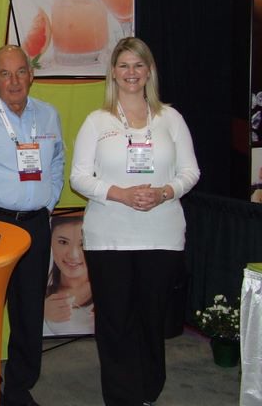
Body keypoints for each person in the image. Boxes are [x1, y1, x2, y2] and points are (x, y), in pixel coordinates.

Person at [70, 37, 200, 406]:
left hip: (161, 236)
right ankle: (121, 397)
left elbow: (190, 172)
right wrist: (119, 194)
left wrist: (165, 192)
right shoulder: (97, 122)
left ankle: (148, 390)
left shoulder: (171, 119)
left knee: (151, 319)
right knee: (114, 321)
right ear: (113, 72)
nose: (132, 72)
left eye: (138, 65)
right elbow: (78, 178)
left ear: (149, 71)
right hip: (109, 238)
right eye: (124, 65)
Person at [0, 45, 65, 406]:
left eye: (21, 71)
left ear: (31, 75)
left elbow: (57, 162)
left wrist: (48, 202)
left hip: (36, 224)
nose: (14, 81)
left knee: (29, 309)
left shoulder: (49, 115)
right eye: (5, 74)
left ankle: (20, 388)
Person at [43, 215, 93, 336]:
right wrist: (40, 312)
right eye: (63, 242)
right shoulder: (35, 293)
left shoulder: (112, 292)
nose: (73, 255)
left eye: (83, 243)